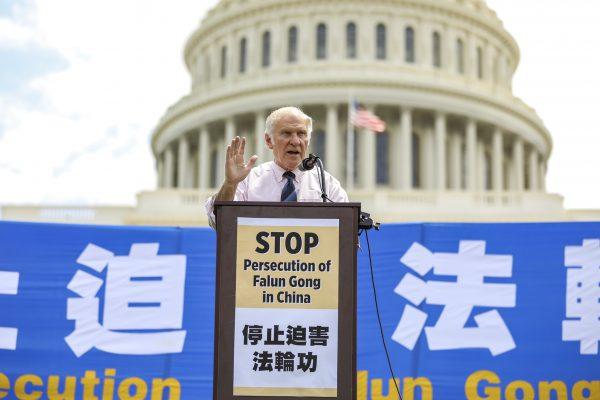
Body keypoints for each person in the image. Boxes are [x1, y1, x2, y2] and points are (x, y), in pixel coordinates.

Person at [205, 106, 348, 227]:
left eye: (301, 134)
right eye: (286, 134)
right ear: (268, 140)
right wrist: (230, 184)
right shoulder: (248, 181)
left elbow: (347, 229)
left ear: (308, 140)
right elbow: (218, 220)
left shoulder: (327, 184)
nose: (295, 141)